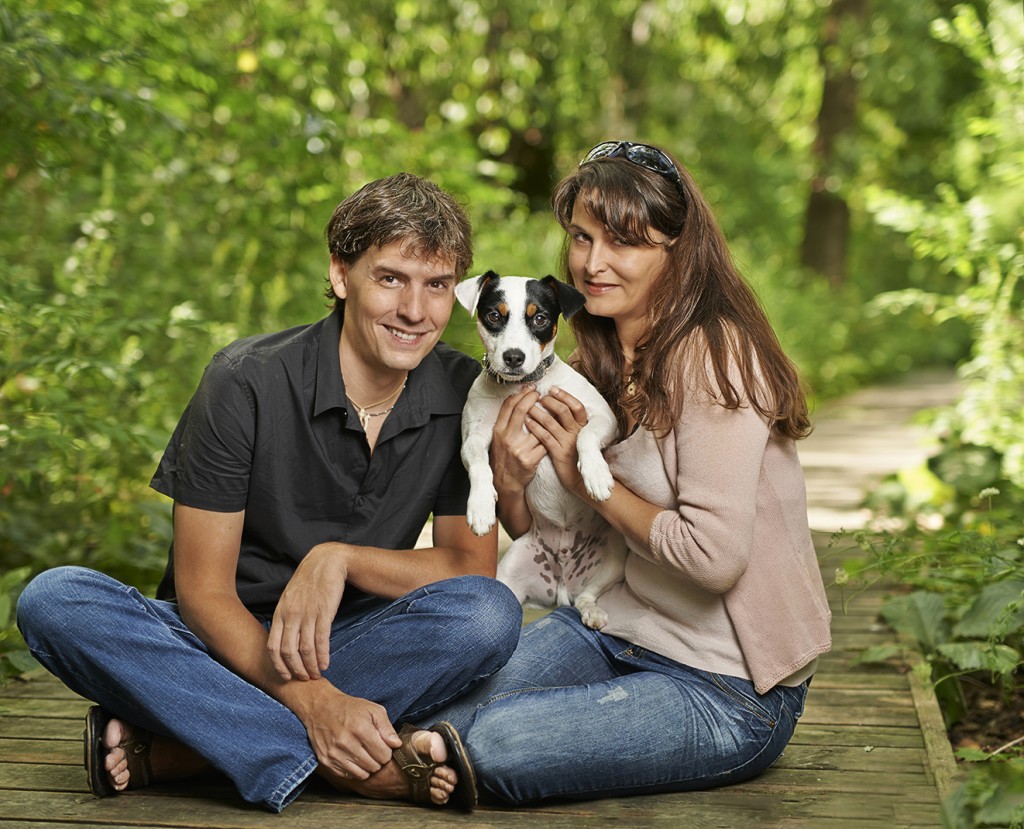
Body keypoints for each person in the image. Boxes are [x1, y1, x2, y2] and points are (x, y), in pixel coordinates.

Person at [16, 172, 523, 812]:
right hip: (214, 646)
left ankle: (190, 750)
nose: (415, 312)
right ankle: (337, 761)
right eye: (390, 278)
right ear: (342, 276)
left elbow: (467, 570)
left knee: (488, 614)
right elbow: (202, 593)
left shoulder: (462, 392)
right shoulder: (244, 380)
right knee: (55, 600)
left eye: (437, 286)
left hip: (354, 643)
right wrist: (314, 701)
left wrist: (337, 559)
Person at [422, 141, 833, 803]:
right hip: (613, 626)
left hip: (728, 686)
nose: (592, 262)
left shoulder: (716, 357)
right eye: (582, 237)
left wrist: (588, 480)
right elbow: (550, 533)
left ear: (677, 249)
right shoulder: (594, 361)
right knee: (434, 702)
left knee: (496, 741)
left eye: (625, 242)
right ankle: (426, 753)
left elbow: (714, 556)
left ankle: (433, 758)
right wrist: (511, 478)